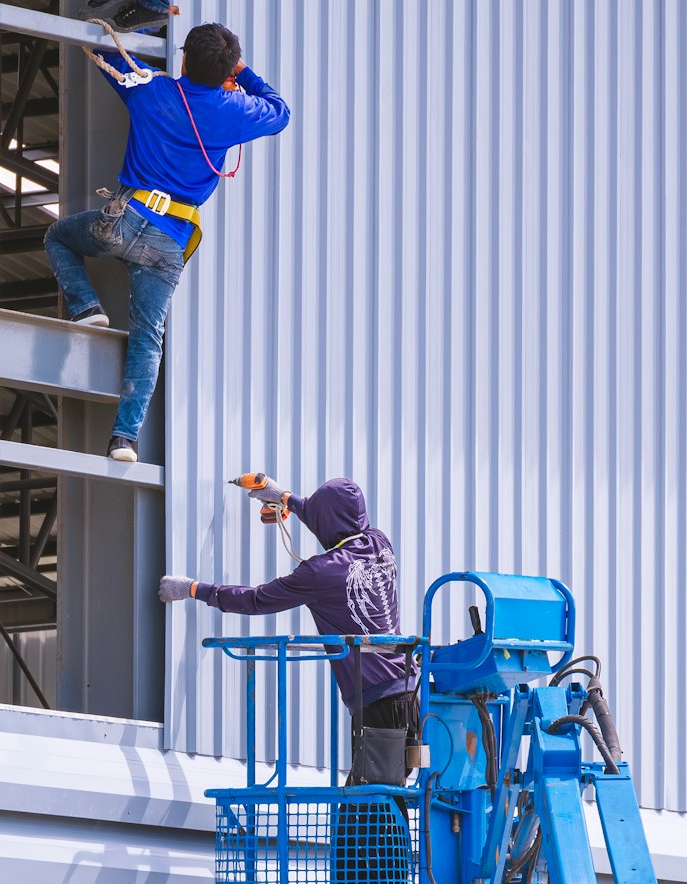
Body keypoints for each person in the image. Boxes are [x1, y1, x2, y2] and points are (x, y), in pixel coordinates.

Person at [44, 23, 291, 464]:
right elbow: (280, 111)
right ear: (226, 70)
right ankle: (124, 440)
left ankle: (86, 307)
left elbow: (111, 58)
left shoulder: (151, 91)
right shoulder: (234, 110)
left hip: (125, 219)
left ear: (182, 60)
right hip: (170, 242)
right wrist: (244, 72)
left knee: (58, 237)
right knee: (148, 338)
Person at [159, 475, 420, 778]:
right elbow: (326, 515)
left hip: (377, 704)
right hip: (409, 690)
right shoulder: (379, 541)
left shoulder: (320, 573)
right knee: (381, 799)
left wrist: (193, 589)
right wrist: (284, 497)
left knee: (368, 810)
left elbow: (256, 600)